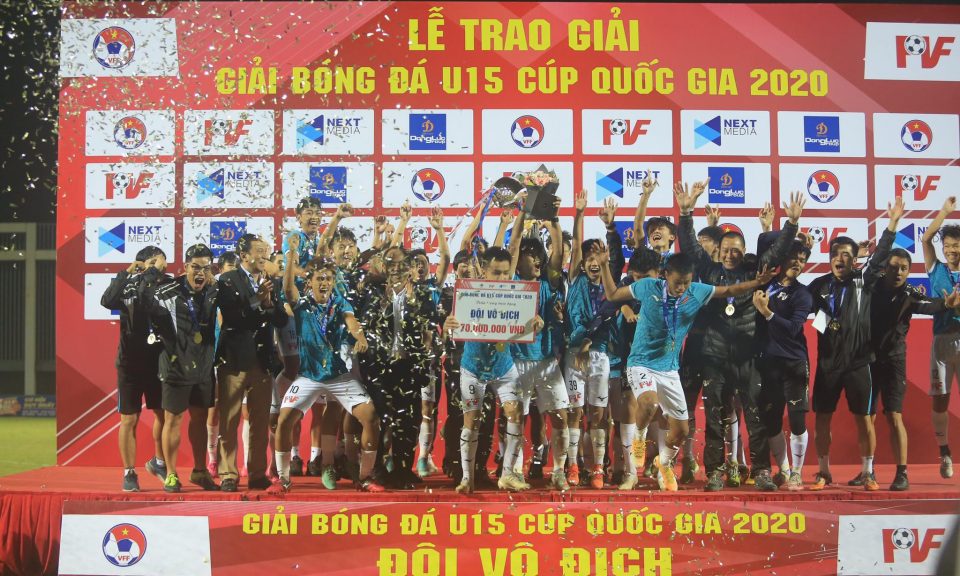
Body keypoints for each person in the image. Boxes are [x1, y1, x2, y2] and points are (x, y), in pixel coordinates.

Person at [598, 249, 775, 492]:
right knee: (648, 404)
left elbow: (728, 291)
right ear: (665, 275)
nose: (682, 287)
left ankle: (664, 463)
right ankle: (639, 437)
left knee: (681, 430)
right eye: (677, 282)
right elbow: (612, 294)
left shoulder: (696, 291)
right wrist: (604, 265)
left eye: (686, 282)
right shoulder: (648, 287)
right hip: (641, 362)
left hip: (670, 369)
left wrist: (757, 282)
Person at [675, 181, 804, 492]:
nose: (730, 254)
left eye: (736, 250)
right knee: (715, 417)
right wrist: (686, 213)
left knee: (755, 416)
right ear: (718, 252)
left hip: (748, 356)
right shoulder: (708, 271)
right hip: (714, 357)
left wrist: (791, 223)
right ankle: (715, 472)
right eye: (726, 250)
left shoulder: (755, 270)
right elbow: (690, 246)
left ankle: (761, 471)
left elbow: (779, 251)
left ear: (744, 252)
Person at [271, 235, 383, 493]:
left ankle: (365, 478)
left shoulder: (341, 302)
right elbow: (287, 290)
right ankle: (283, 480)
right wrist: (291, 256)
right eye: (319, 278)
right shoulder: (302, 303)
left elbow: (352, 321)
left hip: (338, 376)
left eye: (329, 279)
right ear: (310, 281)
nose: (324, 283)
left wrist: (360, 337)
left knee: (371, 418)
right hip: (308, 376)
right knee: (284, 420)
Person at [807, 197, 904, 491]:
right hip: (828, 365)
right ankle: (823, 472)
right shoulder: (818, 286)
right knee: (822, 419)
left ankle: (868, 472)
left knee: (864, 420)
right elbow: (797, 305)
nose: (840, 259)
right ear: (829, 258)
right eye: (836, 254)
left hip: (860, 364)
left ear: (855, 260)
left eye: (847, 255)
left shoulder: (864, 279)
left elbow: (881, 254)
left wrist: (892, 225)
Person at [444, 246, 544, 494]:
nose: (502, 278)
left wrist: (535, 324)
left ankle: (508, 474)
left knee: (515, 414)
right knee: (472, 420)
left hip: (503, 367)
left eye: (505, 273)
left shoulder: (517, 295)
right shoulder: (469, 294)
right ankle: (467, 478)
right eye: (496, 273)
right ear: (484, 272)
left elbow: (519, 329)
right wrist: (448, 324)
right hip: (473, 368)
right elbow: (453, 324)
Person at [871, 247, 959, 490]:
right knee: (867, 417)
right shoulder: (870, 287)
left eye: (904, 268)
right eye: (893, 267)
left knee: (894, 416)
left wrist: (946, 303)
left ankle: (902, 474)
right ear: (884, 269)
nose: (898, 272)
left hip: (894, 361)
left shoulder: (910, 294)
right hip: (867, 360)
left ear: (909, 272)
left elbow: (930, 305)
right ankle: (868, 471)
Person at [355, 244, 442, 489]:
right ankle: (379, 469)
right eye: (390, 263)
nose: (395, 268)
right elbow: (364, 326)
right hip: (379, 367)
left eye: (400, 263)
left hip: (409, 366)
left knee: (409, 419)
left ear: (409, 267)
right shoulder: (372, 293)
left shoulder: (422, 295)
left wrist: (424, 357)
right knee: (382, 417)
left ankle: (404, 469)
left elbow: (428, 330)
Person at [139, 244, 220, 492]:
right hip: (175, 365)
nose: (200, 272)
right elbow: (142, 301)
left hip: (203, 366)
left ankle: (200, 471)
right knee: (173, 419)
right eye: (195, 267)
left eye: (206, 268)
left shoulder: (214, 290)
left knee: (200, 419)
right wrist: (151, 273)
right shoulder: (168, 291)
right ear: (185, 267)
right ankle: (171, 474)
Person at [215, 233, 288, 492]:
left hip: (263, 361)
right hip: (234, 360)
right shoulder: (227, 280)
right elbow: (233, 318)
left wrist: (268, 303)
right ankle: (228, 474)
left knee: (260, 420)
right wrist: (258, 299)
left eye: (265, 250)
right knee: (229, 420)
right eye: (258, 250)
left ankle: (257, 474)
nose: (264, 255)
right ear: (244, 255)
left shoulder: (271, 282)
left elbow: (281, 320)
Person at [509, 206, 571, 491]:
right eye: (530, 254)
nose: (537, 259)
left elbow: (557, 254)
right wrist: (522, 214)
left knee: (560, 416)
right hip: (516, 361)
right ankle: (514, 470)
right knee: (516, 419)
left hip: (546, 361)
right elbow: (512, 247)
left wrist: (553, 221)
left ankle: (558, 471)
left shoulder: (548, 283)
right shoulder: (513, 283)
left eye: (539, 255)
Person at [100, 246, 170, 492]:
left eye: (160, 261)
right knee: (129, 418)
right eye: (154, 262)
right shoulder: (128, 285)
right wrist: (128, 271)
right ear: (141, 265)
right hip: (130, 362)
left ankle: (159, 462)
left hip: (159, 361)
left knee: (164, 415)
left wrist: (152, 273)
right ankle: (129, 472)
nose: (159, 265)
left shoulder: (169, 285)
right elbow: (107, 301)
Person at [753, 236, 813, 491]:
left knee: (797, 420)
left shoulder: (802, 294)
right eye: (794, 258)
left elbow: (793, 328)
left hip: (794, 363)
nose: (798, 263)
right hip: (768, 364)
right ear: (782, 258)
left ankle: (797, 473)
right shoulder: (764, 283)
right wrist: (787, 231)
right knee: (772, 420)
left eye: (803, 260)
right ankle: (785, 470)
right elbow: (763, 242)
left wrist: (767, 313)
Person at [922, 196, 960, 479]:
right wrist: (944, 211)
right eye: (947, 246)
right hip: (941, 341)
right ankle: (944, 452)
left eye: (955, 246)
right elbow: (926, 239)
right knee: (940, 401)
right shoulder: (935, 268)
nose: (951, 250)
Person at [205, 250, 240, 478]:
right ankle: (212, 458)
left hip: (239, 357)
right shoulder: (213, 290)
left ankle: (236, 461)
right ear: (220, 269)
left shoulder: (245, 288)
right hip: (216, 355)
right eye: (229, 269)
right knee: (215, 408)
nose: (233, 274)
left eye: (236, 269)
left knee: (238, 411)